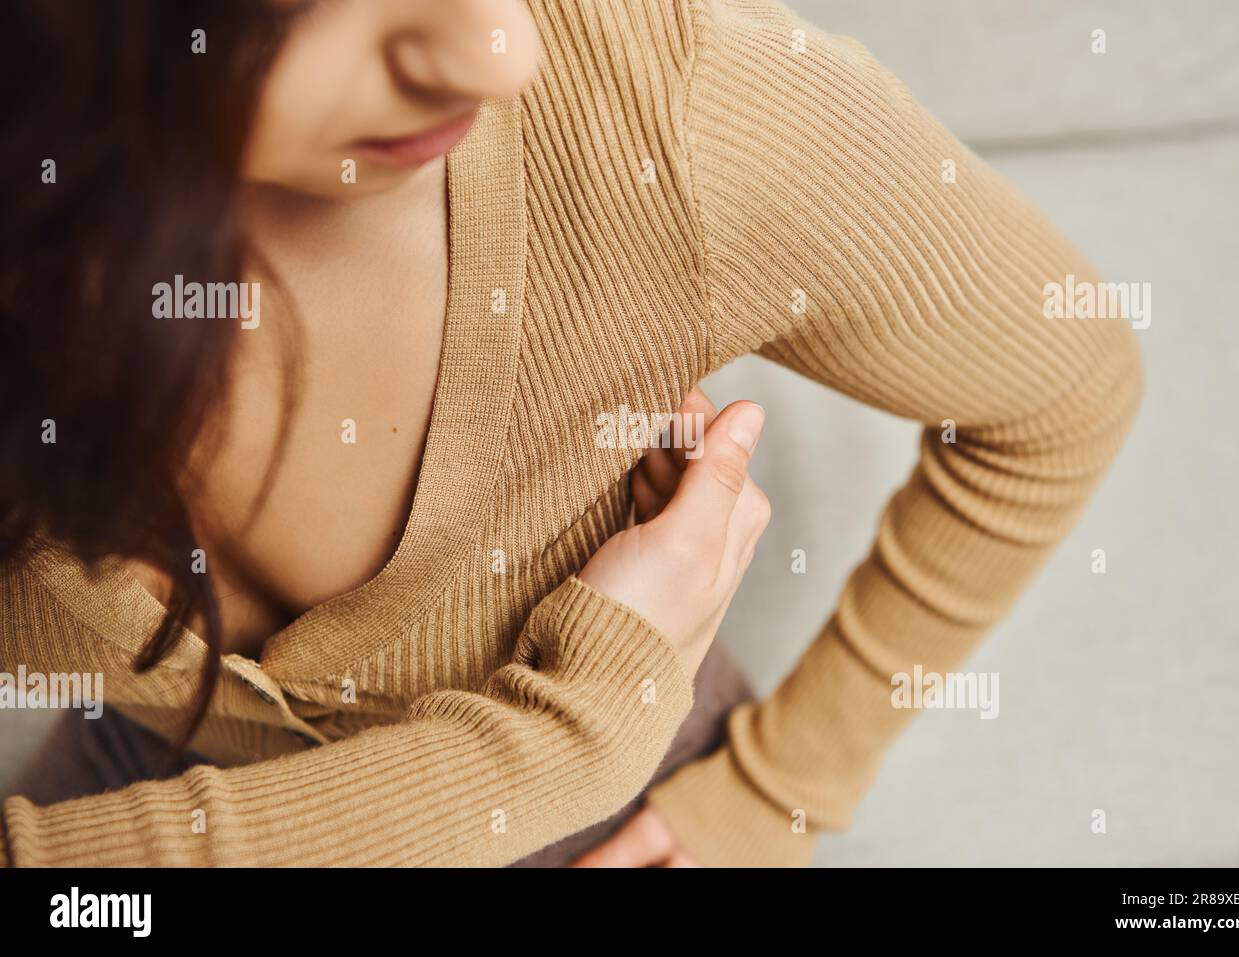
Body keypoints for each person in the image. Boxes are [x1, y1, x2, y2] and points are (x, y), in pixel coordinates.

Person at [0, 0, 1142, 867]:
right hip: (148, 777)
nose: (496, 53)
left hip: (624, 814)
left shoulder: (685, 121)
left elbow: (1064, 393)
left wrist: (777, 788)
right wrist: (558, 741)